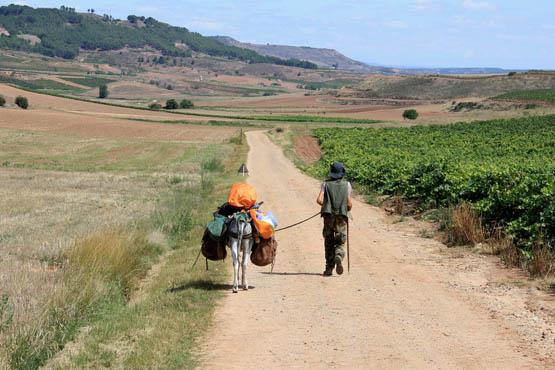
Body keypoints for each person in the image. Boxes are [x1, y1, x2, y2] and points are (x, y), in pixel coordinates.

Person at [316, 162, 352, 276]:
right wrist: (346, 208)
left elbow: (319, 200)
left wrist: (325, 204)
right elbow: (349, 204)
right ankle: (339, 254)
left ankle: (329, 268)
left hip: (328, 216)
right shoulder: (347, 185)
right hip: (341, 216)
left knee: (328, 240)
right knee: (340, 240)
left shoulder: (325, 184)